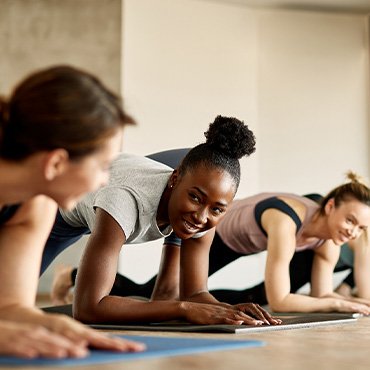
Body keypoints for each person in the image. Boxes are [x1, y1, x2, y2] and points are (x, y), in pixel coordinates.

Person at [41, 115, 282, 326]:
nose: (202, 217)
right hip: (55, 206)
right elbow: (87, 308)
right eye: (196, 198)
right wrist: (182, 308)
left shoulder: (205, 212)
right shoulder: (124, 202)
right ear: (175, 178)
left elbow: (195, 293)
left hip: (140, 181)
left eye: (217, 209)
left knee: (192, 215)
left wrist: (229, 310)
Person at [53, 171, 370, 315]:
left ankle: (76, 277)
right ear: (330, 206)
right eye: (351, 221)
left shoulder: (327, 239)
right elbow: (283, 300)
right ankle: (73, 276)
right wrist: (341, 303)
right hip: (218, 234)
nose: (354, 233)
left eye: (362, 228)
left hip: (245, 244)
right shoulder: (286, 219)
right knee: (156, 294)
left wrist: (358, 303)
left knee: (248, 299)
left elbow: (321, 294)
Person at [0, 65, 145, 358]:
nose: (105, 179)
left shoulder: (37, 204)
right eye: (103, 166)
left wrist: (53, 324)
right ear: (56, 163)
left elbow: (8, 306)